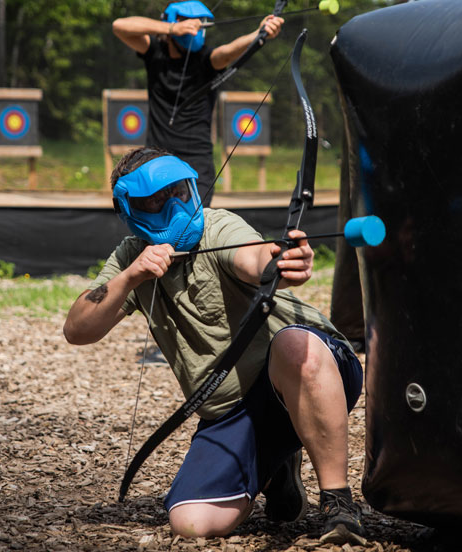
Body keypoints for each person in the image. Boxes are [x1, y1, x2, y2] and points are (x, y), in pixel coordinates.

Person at [63, 147, 367, 545]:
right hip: (232, 409)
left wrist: (281, 262)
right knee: (192, 522)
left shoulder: (217, 226)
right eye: (154, 202)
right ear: (130, 211)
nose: (171, 209)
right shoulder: (131, 258)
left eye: (178, 194)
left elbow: (253, 258)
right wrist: (131, 277)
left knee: (293, 344)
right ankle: (277, 465)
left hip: (314, 367)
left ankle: (338, 502)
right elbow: (77, 329)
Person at [112, 1, 285, 207]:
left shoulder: (206, 60)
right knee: (155, 222)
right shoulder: (155, 53)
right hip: (157, 159)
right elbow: (119, 26)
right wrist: (171, 28)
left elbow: (227, 52)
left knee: (191, 223)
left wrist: (259, 34)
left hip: (196, 164)